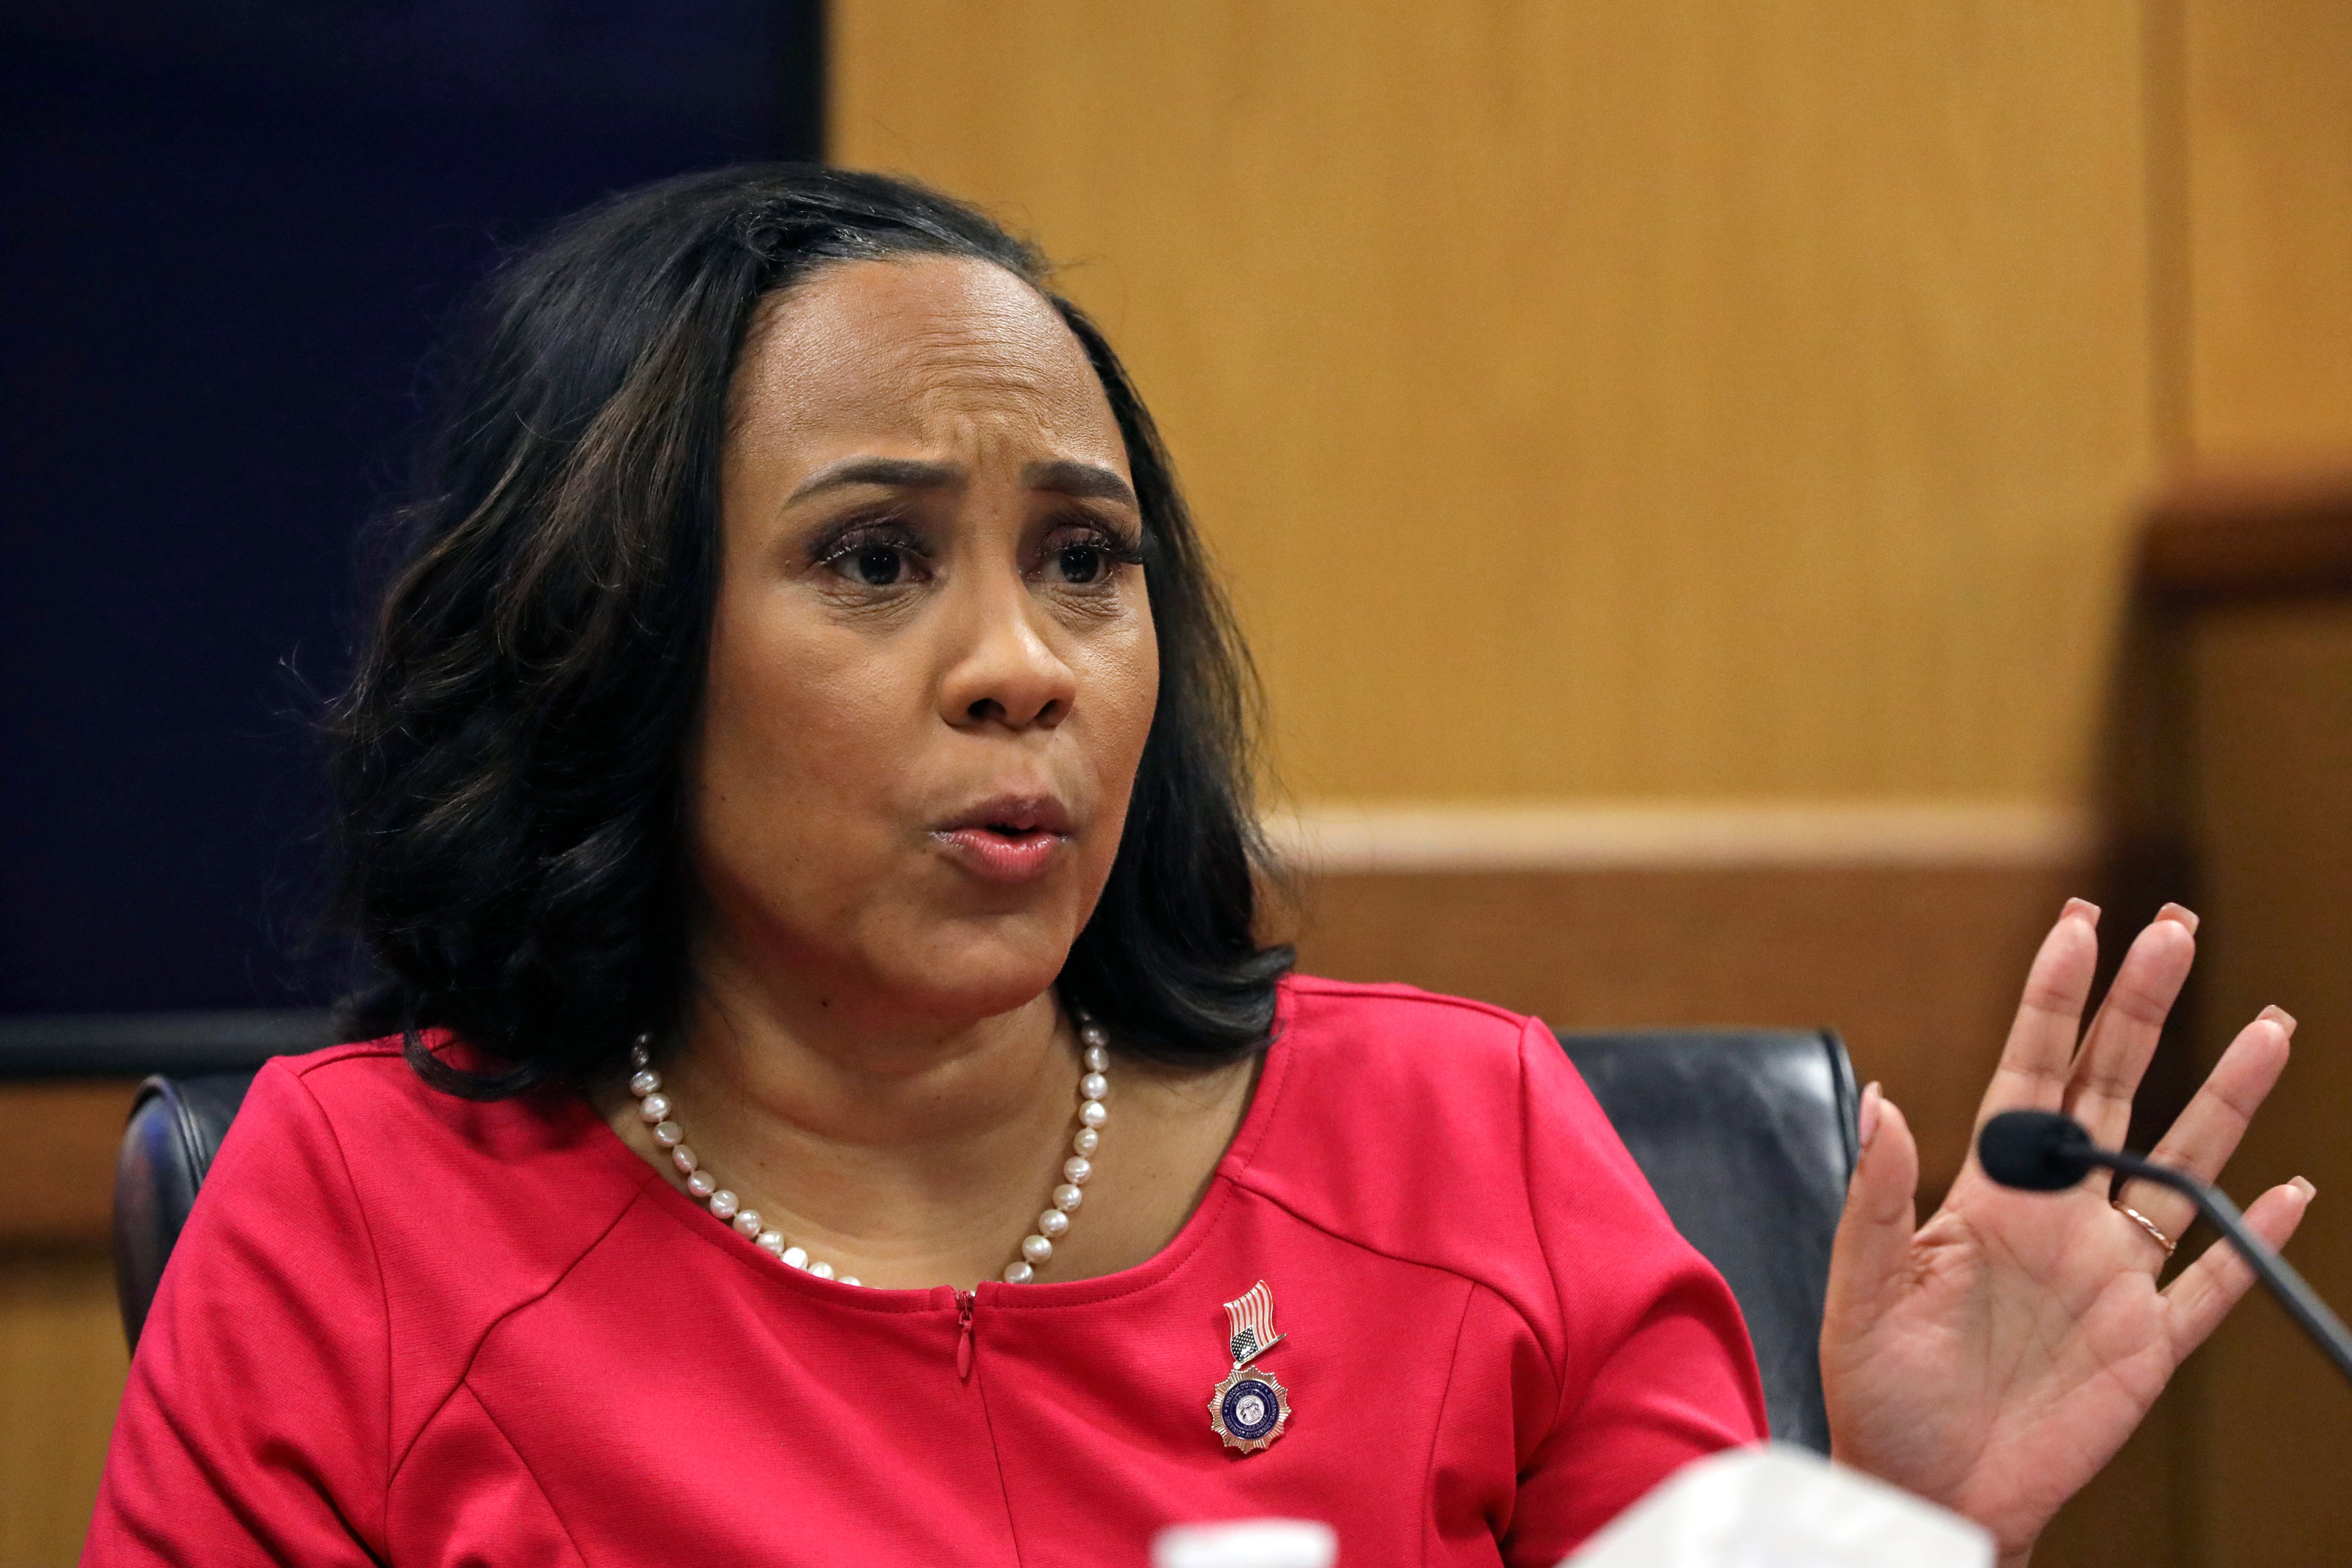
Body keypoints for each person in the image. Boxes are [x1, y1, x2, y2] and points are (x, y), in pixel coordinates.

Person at [83, 166, 2312, 1567]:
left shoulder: (1468, 1140)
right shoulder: (349, 1218)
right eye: (873, 561)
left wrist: (1891, 1531)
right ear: (619, 641)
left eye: (1085, 562)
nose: (1022, 666)